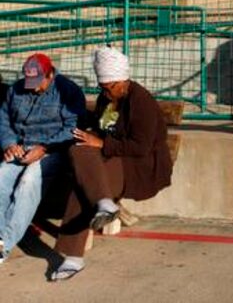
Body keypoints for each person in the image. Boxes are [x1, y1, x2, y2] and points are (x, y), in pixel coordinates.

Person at [50, 46, 173, 281]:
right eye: (102, 87)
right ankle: (104, 203)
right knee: (78, 151)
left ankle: (74, 257)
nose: (105, 93)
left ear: (122, 81)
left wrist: (100, 143)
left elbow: (141, 147)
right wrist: (91, 136)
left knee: (82, 185)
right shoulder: (108, 98)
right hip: (112, 158)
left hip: (139, 166)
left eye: (108, 88)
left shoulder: (141, 101)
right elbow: (102, 127)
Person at [0, 54, 84, 265]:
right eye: (30, 83)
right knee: (1, 177)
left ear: (50, 74)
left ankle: (4, 245)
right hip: (22, 148)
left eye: (38, 83)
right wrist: (9, 144)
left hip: (53, 151)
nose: (33, 88)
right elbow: (4, 121)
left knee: (28, 183)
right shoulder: (16, 89)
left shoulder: (68, 91)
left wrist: (45, 148)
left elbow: (73, 128)